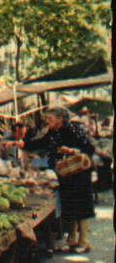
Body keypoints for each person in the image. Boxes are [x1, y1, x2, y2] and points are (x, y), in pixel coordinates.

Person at [41, 106, 96, 253]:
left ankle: (84, 242)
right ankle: (71, 240)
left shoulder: (75, 129)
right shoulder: (53, 133)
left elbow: (89, 148)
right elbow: (42, 145)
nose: (47, 121)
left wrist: (72, 151)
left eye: (50, 119)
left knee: (81, 207)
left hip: (79, 175)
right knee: (70, 207)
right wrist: (22, 144)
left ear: (60, 119)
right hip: (65, 174)